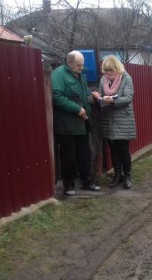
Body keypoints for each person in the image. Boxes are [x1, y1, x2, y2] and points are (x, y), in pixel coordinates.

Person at [51, 50, 101, 196]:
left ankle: (87, 182)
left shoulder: (78, 74)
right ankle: (69, 185)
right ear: (69, 62)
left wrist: (92, 96)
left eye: (82, 65)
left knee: (85, 154)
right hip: (67, 125)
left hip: (82, 123)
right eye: (79, 65)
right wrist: (76, 108)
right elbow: (56, 96)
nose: (81, 68)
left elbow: (83, 92)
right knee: (68, 156)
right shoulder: (58, 75)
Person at [92, 55, 136, 189]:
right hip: (108, 119)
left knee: (123, 149)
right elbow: (100, 94)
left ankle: (127, 176)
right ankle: (118, 175)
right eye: (106, 71)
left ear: (117, 68)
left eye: (110, 71)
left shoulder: (126, 78)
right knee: (113, 149)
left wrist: (113, 101)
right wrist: (98, 97)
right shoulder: (103, 80)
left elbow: (128, 97)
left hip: (123, 119)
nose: (108, 74)